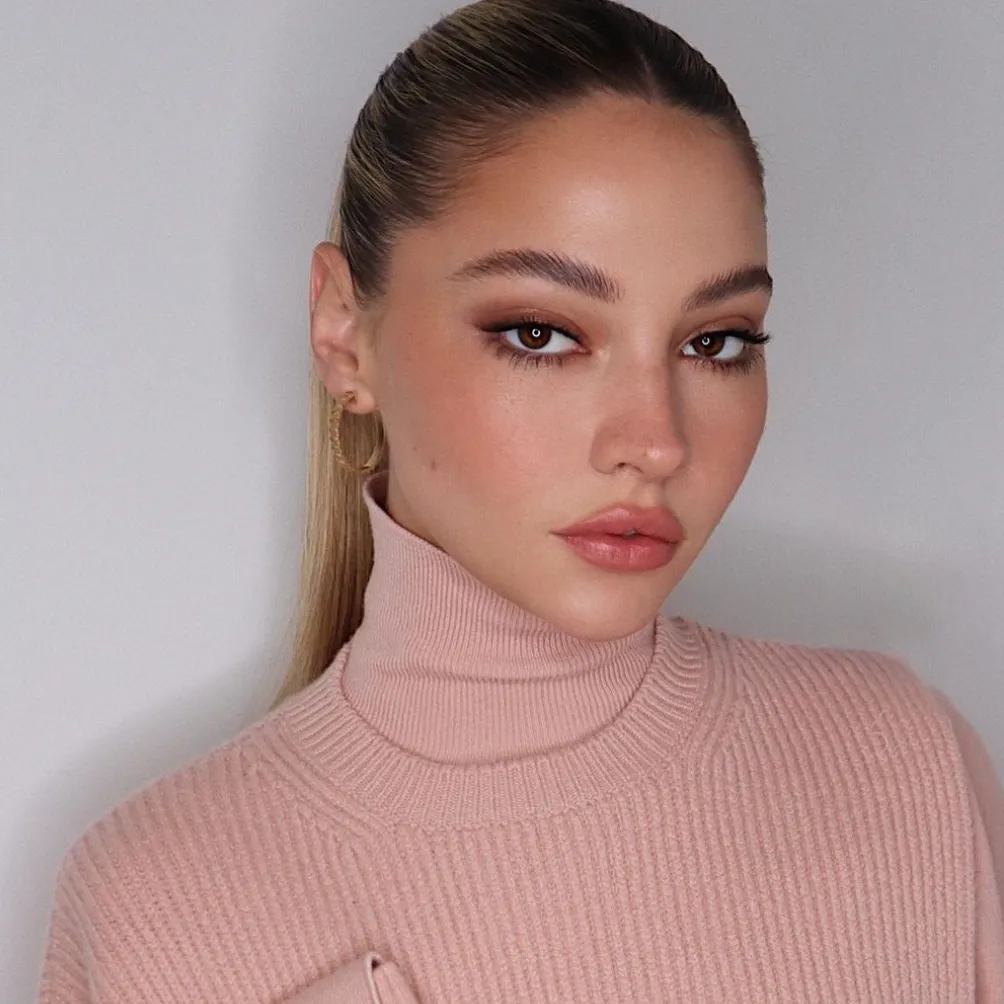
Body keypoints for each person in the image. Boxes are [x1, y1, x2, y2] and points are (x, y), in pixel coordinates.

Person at [35, 0, 1004, 1001]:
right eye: (541, 334)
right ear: (343, 333)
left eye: (714, 341)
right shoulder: (155, 904)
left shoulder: (903, 760)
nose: (655, 441)